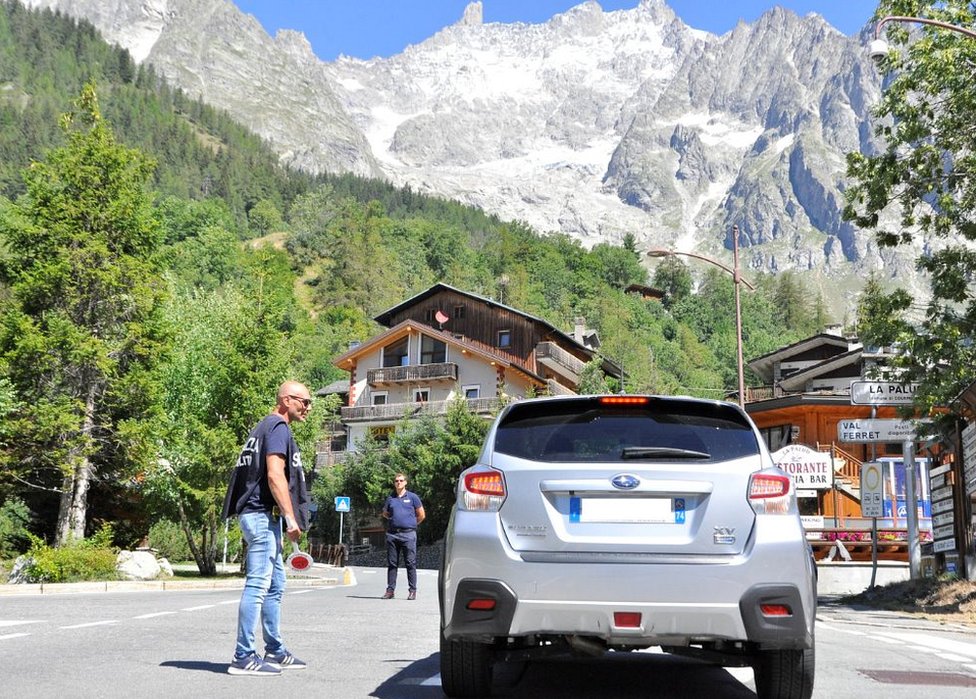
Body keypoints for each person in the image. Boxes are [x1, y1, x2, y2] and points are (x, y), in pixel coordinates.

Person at [221, 380, 312, 676]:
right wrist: (290, 518)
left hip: (262, 517)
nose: (308, 408)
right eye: (304, 402)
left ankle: (274, 650)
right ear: (286, 400)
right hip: (261, 516)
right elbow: (275, 476)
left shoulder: (264, 427)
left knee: (275, 585)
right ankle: (243, 655)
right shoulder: (277, 428)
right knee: (259, 585)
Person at [381, 472, 425, 600]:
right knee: (392, 564)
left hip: (408, 534)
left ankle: (412, 591)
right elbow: (385, 513)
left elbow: (421, 514)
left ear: (405, 482)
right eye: (396, 481)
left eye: (401, 480)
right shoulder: (390, 498)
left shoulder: (413, 497)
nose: (398, 482)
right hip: (393, 534)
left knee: (410, 563)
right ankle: (390, 591)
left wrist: (411, 524)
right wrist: (394, 520)